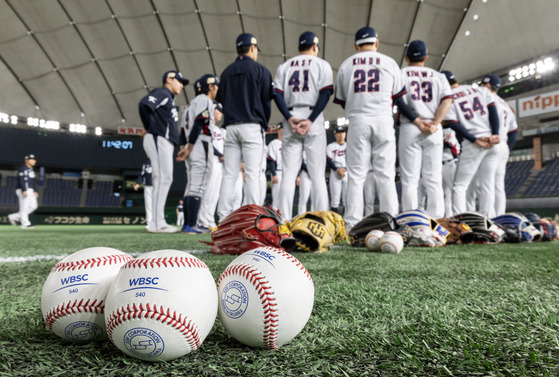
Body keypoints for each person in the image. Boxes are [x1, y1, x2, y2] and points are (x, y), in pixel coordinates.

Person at [334, 26, 426, 230]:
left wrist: (359, 105)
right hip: (383, 119)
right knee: (385, 175)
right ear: (376, 43)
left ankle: (352, 225)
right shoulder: (390, 62)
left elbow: (342, 99)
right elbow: (399, 98)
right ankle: (390, 222)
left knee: (356, 176)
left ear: (355, 45)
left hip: (358, 119)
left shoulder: (347, 64)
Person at [274, 31, 333, 221]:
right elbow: (325, 94)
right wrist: (311, 119)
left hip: (290, 118)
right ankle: (321, 221)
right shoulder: (322, 64)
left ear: (299, 47)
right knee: (317, 176)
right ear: (315, 47)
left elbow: (277, 94)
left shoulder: (285, 66)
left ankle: (283, 221)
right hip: (311, 118)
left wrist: (289, 118)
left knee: (289, 175)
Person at [216, 33, 274, 221]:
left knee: (229, 174)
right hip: (252, 126)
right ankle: (253, 216)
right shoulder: (261, 71)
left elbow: (221, 101)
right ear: (252, 48)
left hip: (231, 127)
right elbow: (266, 102)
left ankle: (223, 218)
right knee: (253, 173)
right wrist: (263, 122)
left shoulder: (226, 72)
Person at [398, 40, 453, 219]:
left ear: (406, 57)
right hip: (433, 129)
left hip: (410, 126)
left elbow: (397, 100)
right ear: (426, 57)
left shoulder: (401, 73)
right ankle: (437, 219)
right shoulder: (438, 76)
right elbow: (447, 100)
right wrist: (435, 123)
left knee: (410, 180)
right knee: (433, 179)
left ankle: (411, 220)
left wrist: (417, 122)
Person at [443, 73, 500, 217]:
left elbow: (452, 123)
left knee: (459, 186)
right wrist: (495, 133)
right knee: (487, 185)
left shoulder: (448, 97)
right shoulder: (479, 89)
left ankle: (461, 224)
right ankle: (489, 220)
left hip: (474, 142)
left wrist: (473, 139)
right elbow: (493, 110)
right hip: (492, 141)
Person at [139, 70, 189, 233]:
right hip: (158, 138)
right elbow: (144, 104)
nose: (181, 85)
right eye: (179, 81)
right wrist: (150, 128)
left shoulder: (169, 97)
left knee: (164, 178)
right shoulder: (163, 93)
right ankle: (156, 223)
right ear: (169, 79)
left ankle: (157, 221)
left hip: (164, 140)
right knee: (162, 178)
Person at [176, 74, 219, 233]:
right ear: (210, 86)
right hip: (199, 142)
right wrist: (190, 147)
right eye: (216, 86)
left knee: (191, 185)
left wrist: (183, 147)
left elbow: (181, 131)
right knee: (198, 186)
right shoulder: (204, 100)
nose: (217, 89)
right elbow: (201, 121)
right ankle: (192, 224)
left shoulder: (189, 105)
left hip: (191, 143)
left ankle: (187, 224)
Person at [197, 102, 224, 231]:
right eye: (218, 111)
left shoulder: (218, 129)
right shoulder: (206, 126)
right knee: (208, 192)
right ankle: (202, 220)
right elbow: (207, 144)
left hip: (219, 162)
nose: (220, 114)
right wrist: (220, 154)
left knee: (215, 193)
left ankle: (210, 220)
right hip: (211, 160)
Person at [8, 154, 39, 229]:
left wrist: (35, 190)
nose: (33, 161)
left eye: (34, 159)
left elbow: (32, 182)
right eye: (31, 159)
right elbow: (22, 180)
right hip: (24, 189)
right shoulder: (23, 168)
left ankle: (14, 216)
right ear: (26, 161)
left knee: (34, 206)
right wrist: (24, 189)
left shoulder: (31, 169)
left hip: (30, 190)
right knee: (24, 208)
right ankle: (25, 224)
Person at [326, 126, 348, 214]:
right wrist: (337, 169)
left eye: (342, 132)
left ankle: (347, 221)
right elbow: (329, 160)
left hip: (347, 171)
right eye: (338, 133)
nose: (340, 135)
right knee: (335, 199)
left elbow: (353, 159)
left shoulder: (349, 145)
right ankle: (335, 222)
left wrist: (344, 169)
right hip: (335, 172)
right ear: (335, 135)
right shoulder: (331, 146)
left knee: (347, 199)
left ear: (345, 134)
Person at [133, 159, 153, 230]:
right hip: (147, 187)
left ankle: (158, 223)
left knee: (158, 205)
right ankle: (150, 224)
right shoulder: (146, 164)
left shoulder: (159, 162)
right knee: (148, 205)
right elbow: (141, 175)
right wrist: (138, 183)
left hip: (157, 186)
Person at [267, 123, 283, 210]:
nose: (282, 131)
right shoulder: (274, 143)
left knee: (286, 197)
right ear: (278, 131)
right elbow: (271, 160)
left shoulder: (289, 143)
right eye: (280, 129)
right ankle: (276, 220)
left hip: (288, 173)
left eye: (283, 129)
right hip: (278, 172)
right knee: (277, 199)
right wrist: (274, 174)